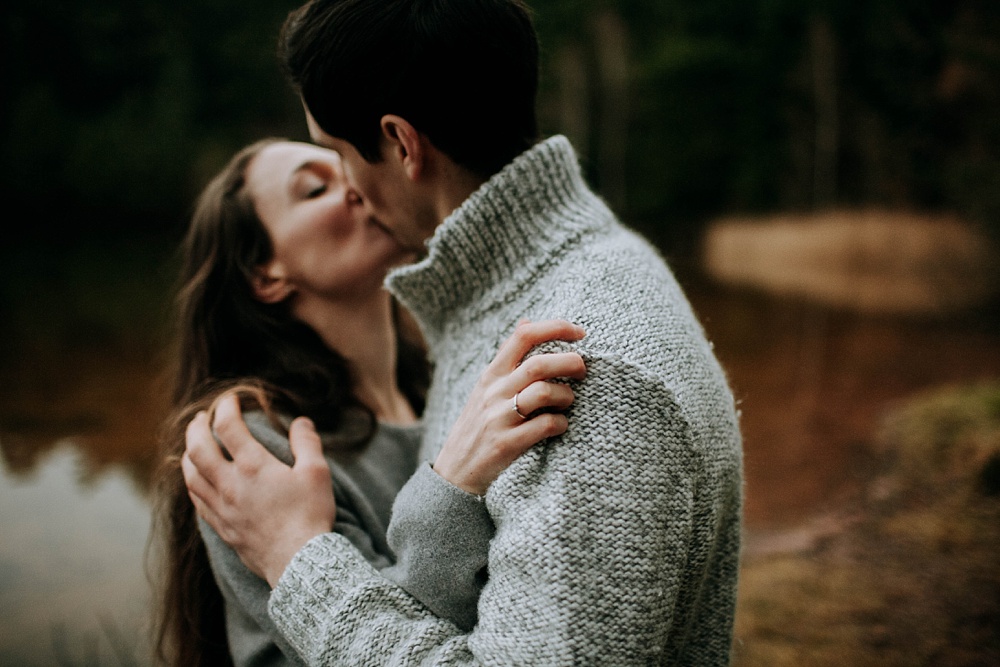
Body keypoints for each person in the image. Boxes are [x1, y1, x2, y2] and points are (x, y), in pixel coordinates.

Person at [184, 0, 745, 664]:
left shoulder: (583, 365)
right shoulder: (499, 321)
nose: (350, 190)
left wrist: (298, 561)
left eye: (338, 153)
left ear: (400, 142)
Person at [153, 137, 587, 666]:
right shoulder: (258, 443)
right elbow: (381, 641)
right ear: (266, 275)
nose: (355, 186)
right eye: (316, 188)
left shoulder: (437, 388)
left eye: (346, 167)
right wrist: (452, 486)